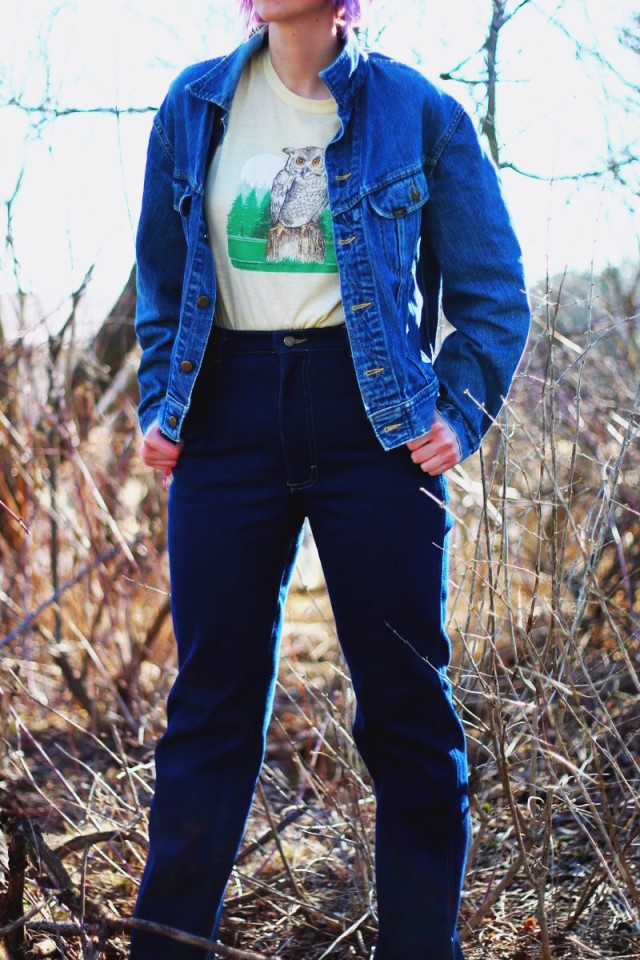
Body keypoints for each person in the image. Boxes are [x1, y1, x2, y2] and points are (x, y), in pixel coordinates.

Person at [130, 1, 531, 958]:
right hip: (225, 422)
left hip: (374, 423)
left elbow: (492, 289)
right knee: (211, 707)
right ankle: (167, 947)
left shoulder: (416, 111)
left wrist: (459, 410)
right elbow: (161, 267)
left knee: (406, 709)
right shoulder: (193, 104)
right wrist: (162, 398)